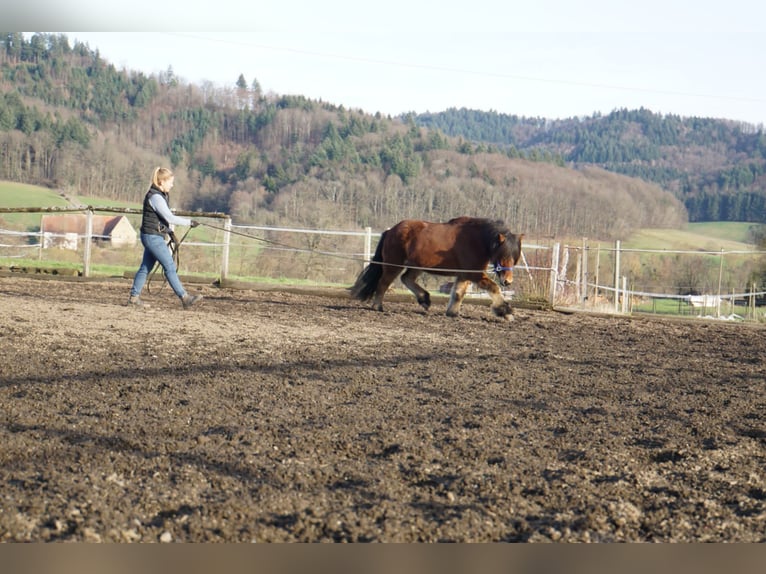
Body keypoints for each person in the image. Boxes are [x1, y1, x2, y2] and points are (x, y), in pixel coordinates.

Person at [127, 167, 203, 309]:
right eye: (170, 182)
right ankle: (184, 297)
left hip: (152, 236)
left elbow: (161, 219)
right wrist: (189, 222)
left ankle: (133, 298)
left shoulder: (159, 195)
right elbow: (169, 217)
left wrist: (169, 232)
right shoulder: (156, 197)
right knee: (169, 266)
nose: (172, 185)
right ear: (161, 182)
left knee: (145, 268)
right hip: (153, 237)